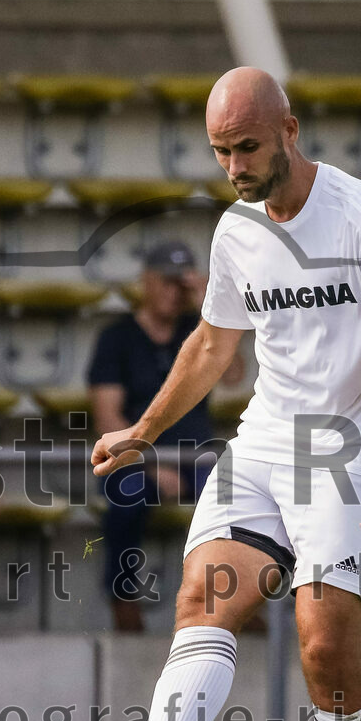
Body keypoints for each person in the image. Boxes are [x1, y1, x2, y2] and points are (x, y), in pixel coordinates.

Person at [25, 68, 361, 721]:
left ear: (290, 129)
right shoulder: (236, 230)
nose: (234, 166)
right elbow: (213, 344)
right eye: (220, 151)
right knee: (201, 598)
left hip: (349, 447)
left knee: (324, 649)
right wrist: (145, 431)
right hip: (264, 441)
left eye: (247, 147)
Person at [88, 240, 240, 632]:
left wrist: (211, 307)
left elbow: (235, 375)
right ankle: (123, 598)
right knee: (126, 497)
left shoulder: (197, 331)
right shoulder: (117, 337)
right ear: (147, 281)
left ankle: (234, 602)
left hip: (195, 455)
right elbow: (107, 417)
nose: (174, 293)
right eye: (167, 282)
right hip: (136, 458)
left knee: (236, 500)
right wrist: (152, 466)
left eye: (180, 284)